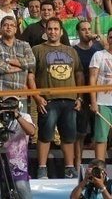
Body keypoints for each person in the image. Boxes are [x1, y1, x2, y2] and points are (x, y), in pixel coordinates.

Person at [29, 17, 84, 179]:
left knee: (69, 136)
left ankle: (69, 168)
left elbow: (79, 74)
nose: (53, 31)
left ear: (61, 31)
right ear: (46, 31)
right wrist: (37, 97)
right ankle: (42, 168)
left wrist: (80, 97)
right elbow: (30, 76)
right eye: (50, 29)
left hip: (70, 99)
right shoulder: (37, 49)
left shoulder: (71, 50)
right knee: (45, 135)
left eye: (56, 29)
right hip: (48, 100)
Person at [73, 21, 103, 168]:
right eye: (84, 29)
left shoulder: (98, 48)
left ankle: (99, 164)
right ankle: (77, 163)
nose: (87, 32)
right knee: (81, 131)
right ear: (78, 32)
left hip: (100, 94)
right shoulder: (74, 50)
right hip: (81, 94)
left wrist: (97, 37)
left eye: (89, 29)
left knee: (99, 130)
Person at [0, 103, 35, 199]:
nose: (9, 107)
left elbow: (32, 131)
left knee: (23, 192)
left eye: (12, 103)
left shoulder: (25, 116)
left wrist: (17, 116)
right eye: (7, 103)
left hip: (18, 164)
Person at [0, 16, 35, 92]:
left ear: (16, 29)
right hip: (0, 94)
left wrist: (8, 60)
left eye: (12, 25)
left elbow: (32, 62)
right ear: (1, 29)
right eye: (5, 25)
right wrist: (22, 67)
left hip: (20, 94)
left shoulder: (24, 45)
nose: (8, 27)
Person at [89, 28, 112, 161]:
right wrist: (93, 101)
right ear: (107, 39)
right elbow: (92, 78)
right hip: (103, 102)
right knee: (101, 138)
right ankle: (100, 167)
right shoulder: (99, 55)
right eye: (111, 37)